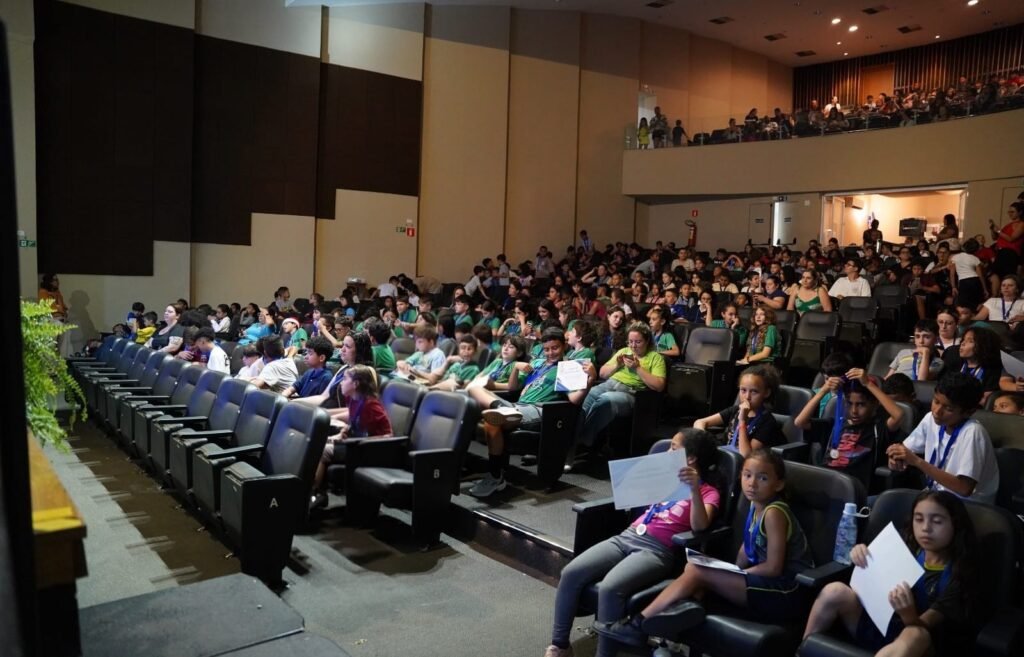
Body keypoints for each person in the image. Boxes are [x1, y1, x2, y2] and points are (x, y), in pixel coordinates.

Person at [597, 450, 813, 646]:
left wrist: (735, 574)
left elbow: (774, 568)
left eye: (762, 478)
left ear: (779, 484)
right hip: (767, 583)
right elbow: (747, 548)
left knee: (699, 572)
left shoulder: (775, 512)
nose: (752, 483)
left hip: (786, 592)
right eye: (747, 475)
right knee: (695, 568)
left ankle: (636, 626)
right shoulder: (756, 506)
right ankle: (684, 611)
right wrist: (729, 570)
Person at [544, 429, 722, 657]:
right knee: (571, 572)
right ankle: (560, 647)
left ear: (691, 459)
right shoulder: (664, 477)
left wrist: (694, 490)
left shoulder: (708, 492)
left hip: (656, 550)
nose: (667, 452)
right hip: (628, 536)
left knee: (610, 587)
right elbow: (633, 496)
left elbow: (699, 526)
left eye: (673, 448)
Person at [803, 490, 978, 657]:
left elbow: (926, 628)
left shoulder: (959, 574)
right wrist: (862, 554)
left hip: (921, 643)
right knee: (835, 591)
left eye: (937, 521)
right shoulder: (907, 547)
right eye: (918, 519)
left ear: (956, 524)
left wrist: (907, 614)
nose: (925, 528)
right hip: (884, 627)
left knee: (915, 634)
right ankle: (801, 651)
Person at [465, 329, 570, 498]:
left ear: (564, 346)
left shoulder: (568, 368)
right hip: (516, 405)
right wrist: (515, 368)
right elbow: (513, 387)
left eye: (555, 348)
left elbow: (576, 400)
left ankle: (495, 476)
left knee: (492, 421)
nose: (550, 353)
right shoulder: (537, 363)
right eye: (547, 349)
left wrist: (589, 378)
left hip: (539, 410)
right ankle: (502, 409)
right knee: (474, 388)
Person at [887, 372, 999, 504]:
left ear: (969, 411)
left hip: (967, 506)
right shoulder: (930, 419)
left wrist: (917, 461)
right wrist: (895, 457)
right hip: (935, 497)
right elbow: (905, 450)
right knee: (880, 504)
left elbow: (964, 488)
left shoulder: (973, 432)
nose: (937, 411)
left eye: (948, 408)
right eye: (936, 401)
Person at [795, 367, 904, 484]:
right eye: (849, 403)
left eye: (861, 405)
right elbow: (800, 422)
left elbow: (898, 415)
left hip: (853, 487)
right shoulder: (834, 425)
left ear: (874, 404)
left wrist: (868, 384)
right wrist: (824, 390)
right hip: (825, 482)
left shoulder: (877, 428)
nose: (854, 411)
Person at [310, 365, 392, 510]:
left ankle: (315, 492)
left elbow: (388, 436)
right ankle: (315, 492)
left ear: (355, 384)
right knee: (315, 443)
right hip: (353, 444)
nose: (341, 382)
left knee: (322, 451)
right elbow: (355, 422)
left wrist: (359, 441)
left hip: (369, 450)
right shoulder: (352, 399)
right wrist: (342, 434)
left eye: (345, 379)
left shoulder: (372, 405)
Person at [574, 323, 667, 451]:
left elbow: (659, 386)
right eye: (630, 342)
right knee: (586, 397)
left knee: (606, 400)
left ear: (647, 341)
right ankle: (573, 439)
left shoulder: (655, 358)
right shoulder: (624, 351)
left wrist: (637, 368)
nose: (633, 346)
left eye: (638, 342)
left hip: (631, 393)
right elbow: (602, 373)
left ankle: (581, 441)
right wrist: (617, 365)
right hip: (609, 384)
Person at [693, 364, 783, 456]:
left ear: (766, 393)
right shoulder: (734, 410)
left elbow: (746, 455)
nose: (747, 397)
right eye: (743, 390)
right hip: (725, 457)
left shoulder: (767, 422)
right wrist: (704, 440)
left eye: (754, 391)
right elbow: (699, 422)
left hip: (743, 465)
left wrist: (742, 420)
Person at [931, 326, 1004, 401]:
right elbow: (934, 381)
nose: (962, 343)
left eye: (970, 341)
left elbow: (987, 400)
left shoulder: (993, 368)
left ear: (984, 346)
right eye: (963, 339)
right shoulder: (951, 355)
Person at [988, 201, 1024, 280]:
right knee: (994, 275)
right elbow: (995, 238)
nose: (1010, 214)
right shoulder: (1008, 225)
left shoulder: (1021, 224)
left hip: (1009, 253)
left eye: (1012, 212)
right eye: (1009, 212)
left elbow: (1011, 239)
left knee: (1007, 276)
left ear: (1020, 212)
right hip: (1001, 252)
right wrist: (992, 229)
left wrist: (998, 231)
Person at [948, 239, 985, 312]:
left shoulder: (955, 257)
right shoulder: (975, 258)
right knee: (976, 303)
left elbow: (952, 273)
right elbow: (980, 275)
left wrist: (953, 287)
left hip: (964, 281)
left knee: (964, 304)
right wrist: (984, 288)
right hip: (975, 280)